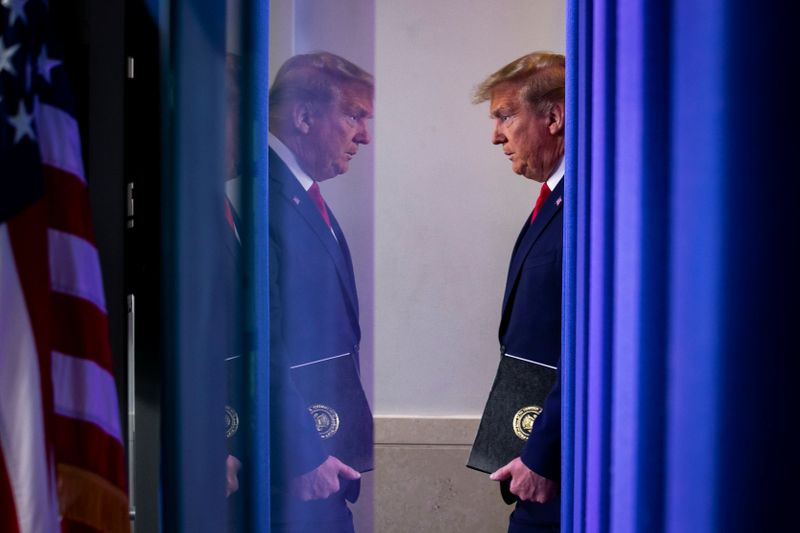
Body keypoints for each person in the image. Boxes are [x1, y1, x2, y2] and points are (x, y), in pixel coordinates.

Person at [267, 51, 374, 533]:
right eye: (354, 116)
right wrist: (302, 455)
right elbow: (256, 343)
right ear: (305, 116)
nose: (365, 136)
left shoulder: (299, 193)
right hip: (291, 477)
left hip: (322, 464)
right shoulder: (255, 194)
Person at [473, 52, 566, 532]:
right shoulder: (554, 202)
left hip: (565, 467)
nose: (495, 136)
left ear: (553, 117)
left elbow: (589, 346)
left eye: (505, 116)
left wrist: (545, 453)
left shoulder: (588, 204)